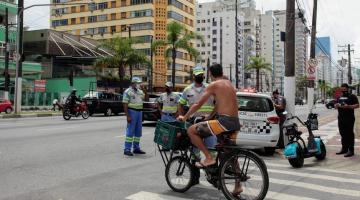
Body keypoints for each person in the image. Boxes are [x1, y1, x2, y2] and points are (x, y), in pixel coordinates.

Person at [178, 63, 242, 195]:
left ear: (210, 74)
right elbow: (218, 104)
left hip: (224, 122)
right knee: (230, 153)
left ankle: (208, 157)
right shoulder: (229, 84)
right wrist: (210, 116)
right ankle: (238, 185)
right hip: (235, 123)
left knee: (191, 131)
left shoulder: (213, 85)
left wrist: (184, 118)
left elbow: (197, 104)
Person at [178, 65, 216, 185]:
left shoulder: (210, 88)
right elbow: (180, 104)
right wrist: (182, 117)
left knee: (212, 150)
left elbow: (217, 103)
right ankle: (195, 178)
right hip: (193, 123)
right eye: (197, 75)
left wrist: (212, 115)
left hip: (208, 123)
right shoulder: (187, 90)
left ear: (203, 75)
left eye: (201, 75)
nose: (199, 76)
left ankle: (214, 176)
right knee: (195, 152)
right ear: (193, 76)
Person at [122, 77, 146, 156]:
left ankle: (136, 148)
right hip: (132, 112)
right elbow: (125, 104)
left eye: (139, 83)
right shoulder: (127, 91)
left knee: (138, 131)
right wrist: (127, 116)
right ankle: (127, 149)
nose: (139, 85)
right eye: (137, 83)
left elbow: (146, 98)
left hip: (139, 112)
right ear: (133, 83)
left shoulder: (140, 91)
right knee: (130, 131)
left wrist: (144, 90)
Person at [335, 83, 359, 157]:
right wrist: (336, 105)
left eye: (344, 89)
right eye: (342, 89)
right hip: (341, 118)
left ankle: (351, 150)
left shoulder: (352, 96)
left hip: (349, 118)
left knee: (349, 134)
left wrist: (348, 106)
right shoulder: (339, 97)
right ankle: (344, 149)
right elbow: (337, 105)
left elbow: (357, 105)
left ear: (348, 89)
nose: (343, 91)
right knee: (342, 133)